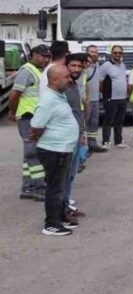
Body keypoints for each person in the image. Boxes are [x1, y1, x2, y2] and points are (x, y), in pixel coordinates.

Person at [29, 65, 81, 236]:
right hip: (54, 151)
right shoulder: (48, 100)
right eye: (65, 77)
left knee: (60, 186)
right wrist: (41, 134)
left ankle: (60, 217)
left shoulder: (59, 95)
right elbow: (36, 125)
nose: (69, 79)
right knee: (55, 189)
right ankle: (51, 224)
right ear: (54, 80)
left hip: (62, 149)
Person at [11, 44, 50, 200]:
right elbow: (14, 95)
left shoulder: (36, 71)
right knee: (33, 153)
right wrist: (12, 112)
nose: (45, 59)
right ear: (33, 54)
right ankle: (39, 189)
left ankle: (27, 188)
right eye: (42, 56)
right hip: (28, 117)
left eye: (47, 56)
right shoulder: (26, 71)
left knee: (29, 155)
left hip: (34, 116)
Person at [61, 53, 87, 224]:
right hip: (64, 137)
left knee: (70, 175)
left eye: (79, 66)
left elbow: (78, 111)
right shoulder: (62, 86)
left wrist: (82, 132)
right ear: (66, 66)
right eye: (73, 66)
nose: (77, 69)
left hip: (76, 135)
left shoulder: (75, 85)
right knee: (63, 176)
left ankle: (66, 206)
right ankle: (61, 212)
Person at [100, 45, 129, 148]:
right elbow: (101, 81)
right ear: (112, 53)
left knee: (119, 121)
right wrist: (105, 94)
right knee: (108, 121)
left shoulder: (123, 65)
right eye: (115, 52)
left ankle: (118, 141)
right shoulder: (106, 66)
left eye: (120, 53)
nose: (117, 54)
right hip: (111, 98)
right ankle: (106, 142)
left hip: (122, 98)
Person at [81, 45, 107, 153]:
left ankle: (92, 144)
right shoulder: (83, 67)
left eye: (96, 52)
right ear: (87, 53)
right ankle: (82, 148)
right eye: (91, 51)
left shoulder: (97, 65)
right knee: (83, 124)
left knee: (94, 123)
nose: (94, 53)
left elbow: (100, 81)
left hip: (96, 99)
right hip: (85, 101)